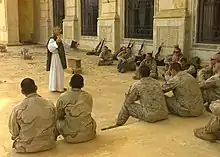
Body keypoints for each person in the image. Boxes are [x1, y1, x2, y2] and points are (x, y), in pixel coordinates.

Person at [9, 78, 56, 153]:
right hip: (48, 144)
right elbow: (55, 123)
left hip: (25, 146)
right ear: (36, 88)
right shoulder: (49, 104)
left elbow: (14, 132)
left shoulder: (18, 109)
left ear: (22, 91)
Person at [56, 74, 97, 143]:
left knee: (57, 121)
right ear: (82, 85)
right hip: (89, 134)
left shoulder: (63, 97)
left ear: (70, 84)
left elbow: (59, 115)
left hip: (72, 137)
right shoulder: (88, 96)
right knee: (89, 118)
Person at [46, 26, 67, 93]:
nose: (60, 31)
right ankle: (54, 87)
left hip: (59, 57)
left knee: (60, 72)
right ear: (54, 31)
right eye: (58, 30)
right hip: (55, 57)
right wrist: (56, 43)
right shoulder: (52, 39)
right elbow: (50, 47)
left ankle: (59, 86)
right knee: (56, 72)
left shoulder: (58, 37)